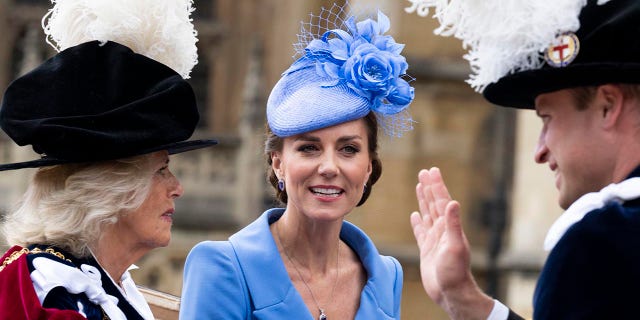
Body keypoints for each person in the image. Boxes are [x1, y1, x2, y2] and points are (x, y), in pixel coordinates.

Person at [406, 0, 640, 319]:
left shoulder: (599, 243)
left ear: (608, 106)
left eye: (547, 118)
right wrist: (462, 297)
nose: (539, 151)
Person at [180, 3, 414, 319]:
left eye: (348, 149)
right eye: (308, 148)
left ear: (369, 166)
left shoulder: (387, 276)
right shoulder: (222, 266)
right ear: (278, 163)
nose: (330, 167)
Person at [0, 0, 216, 319]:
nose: (177, 188)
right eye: (161, 170)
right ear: (110, 191)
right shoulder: (50, 294)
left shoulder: (103, 288)